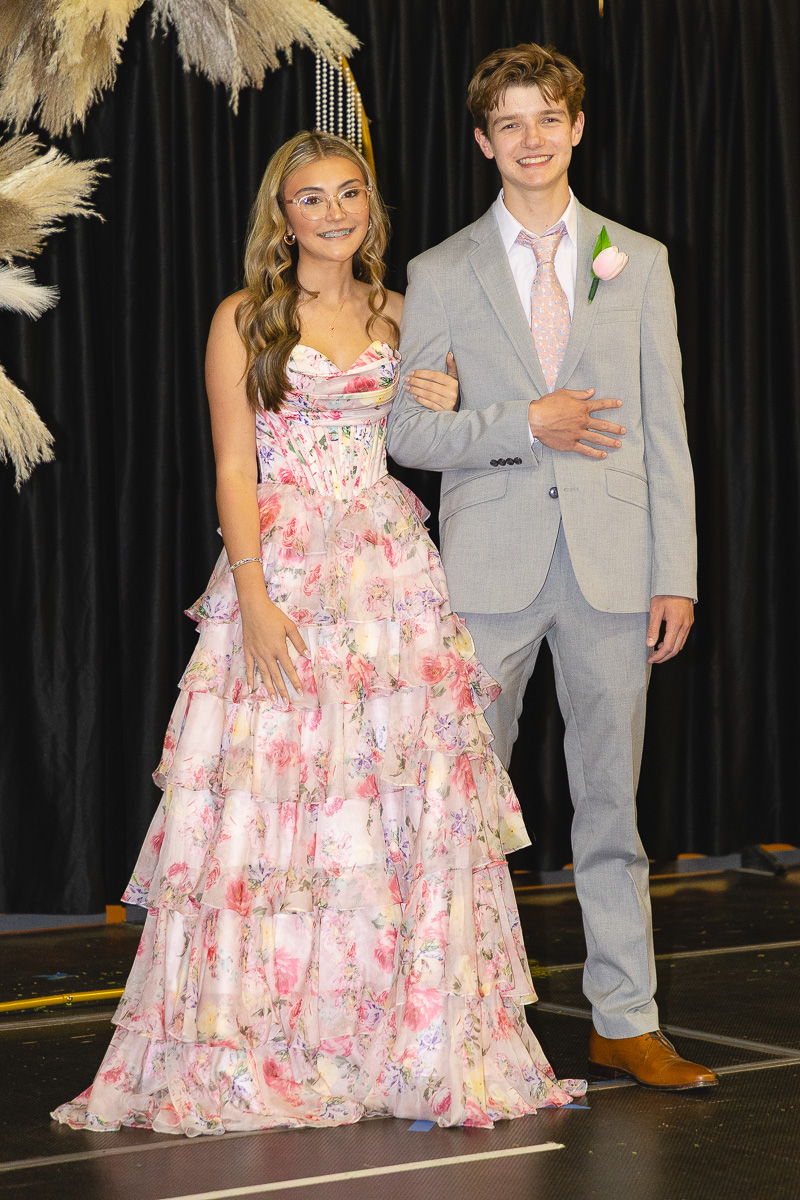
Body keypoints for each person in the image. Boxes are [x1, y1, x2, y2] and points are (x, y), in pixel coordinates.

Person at [52, 130, 585, 1136]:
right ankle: (265, 1040)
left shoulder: (405, 312)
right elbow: (233, 467)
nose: (332, 212)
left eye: (348, 193)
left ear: (369, 208)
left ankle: (398, 1038)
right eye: (310, 197)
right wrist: (252, 595)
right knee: (274, 795)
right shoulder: (244, 318)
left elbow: (436, 437)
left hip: (390, 574)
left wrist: (444, 398)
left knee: (396, 797)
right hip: (287, 567)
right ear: (282, 213)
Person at [389, 44, 717, 1091]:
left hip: (616, 569)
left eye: (547, 119)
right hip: (486, 570)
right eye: (509, 123)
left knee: (610, 808)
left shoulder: (639, 260)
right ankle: (460, 1023)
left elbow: (664, 430)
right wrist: (523, 421)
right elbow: (407, 432)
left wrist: (677, 573)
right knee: (465, 809)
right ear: (482, 141)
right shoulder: (440, 271)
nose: (530, 140)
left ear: (576, 128)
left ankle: (625, 1020)